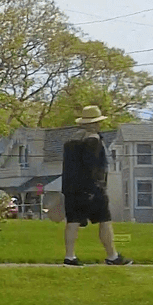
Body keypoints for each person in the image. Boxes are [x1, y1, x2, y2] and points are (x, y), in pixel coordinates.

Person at [61, 106, 130, 266]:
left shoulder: (71, 141)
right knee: (104, 221)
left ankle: (69, 256)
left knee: (72, 222)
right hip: (92, 188)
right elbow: (92, 166)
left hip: (71, 189)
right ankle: (112, 256)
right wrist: (95, 186)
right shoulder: (94, 141)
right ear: (97, 123)